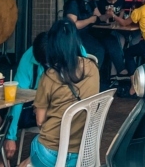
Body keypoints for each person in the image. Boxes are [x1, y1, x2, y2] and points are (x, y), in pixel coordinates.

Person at [21, 20, 100, 167]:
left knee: (29, 160)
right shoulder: (93, 68)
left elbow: (39, 121)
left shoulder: (50, 75)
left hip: (50, 154)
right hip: (84, 152)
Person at [65, 0, 127, 87]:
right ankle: (93, 80)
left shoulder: (92, 2)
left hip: (91, 31)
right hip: (77, 35)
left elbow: (99, 17)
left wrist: (107, 15)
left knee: (111, 39)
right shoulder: (74, 3)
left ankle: (120, 70)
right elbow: (73, 25)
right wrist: (90, 20)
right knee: (98, 50)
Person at [3, 32, 49, 163]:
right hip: (30, 105)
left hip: (56, 110)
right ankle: (2, 161)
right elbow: (18, 96)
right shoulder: (29, 58)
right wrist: (11, 136)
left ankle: (38, 160)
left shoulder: (66, 57)